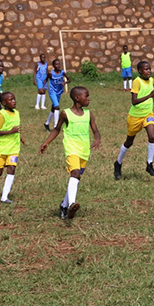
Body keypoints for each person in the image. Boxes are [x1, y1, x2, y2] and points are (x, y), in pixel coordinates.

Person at [40, 87, 101, 221]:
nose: (89, 98)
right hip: (71, 149)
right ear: (77, 98)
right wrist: (46, 142)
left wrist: (97, 139)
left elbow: (95, 130)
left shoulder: (89, 114)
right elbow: (56, 129)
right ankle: (71, 204)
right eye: (87, 96)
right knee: (74, 174)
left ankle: (64, 205)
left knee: (76, 179)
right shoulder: (65, 114)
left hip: (84, 151)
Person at [113, 60, 154, 180]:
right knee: (129, 142)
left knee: (152, 136)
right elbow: (134, 101)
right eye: (146, 69)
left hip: (147, 114)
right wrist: (150, 96)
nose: (149, 71)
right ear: (140, 71)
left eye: (149, 69)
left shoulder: (151, 80)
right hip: (135, 117)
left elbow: (152, 90)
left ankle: (149, 164)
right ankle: (118, 163)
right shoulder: (136, 82)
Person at [0, 92, 25, 204]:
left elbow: (16, 129)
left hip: (14, 148)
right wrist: (10, 132)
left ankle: (4, 197)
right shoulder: (1, 114)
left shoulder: (17, 113)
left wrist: (20, 137)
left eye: (14, 99)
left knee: (12, 169)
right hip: (1, 148)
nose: (14, 101)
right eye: (10, 100)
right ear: (4, 103)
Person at [44, 59, 70, 132]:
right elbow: (46, 80)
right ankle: (56, 126)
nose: (58, 65)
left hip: (59, 92)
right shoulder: (51, 73)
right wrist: (43, 87)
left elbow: (69, 79)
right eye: (56, 64)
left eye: (59, 64)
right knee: (57, 107)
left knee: (54, 108)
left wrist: (65, 83)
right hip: (52, 92)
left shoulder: (62, 72)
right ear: (53, 66)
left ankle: (47, 123)